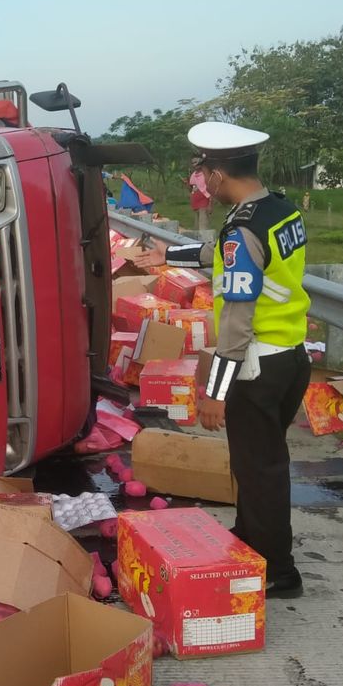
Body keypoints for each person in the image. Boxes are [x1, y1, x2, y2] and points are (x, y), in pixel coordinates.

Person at [135, 120, 311, 599]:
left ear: (215, 174)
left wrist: (216, 391)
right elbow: (224, 252)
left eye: (200, 171)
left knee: (261, 469)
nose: (199, 181)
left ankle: (279, 571)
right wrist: (169, 254)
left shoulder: (242, 228)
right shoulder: (279, 210)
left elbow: (235, 322)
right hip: (290, 357)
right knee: (261, 463)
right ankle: (253, 540)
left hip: (255, 363)